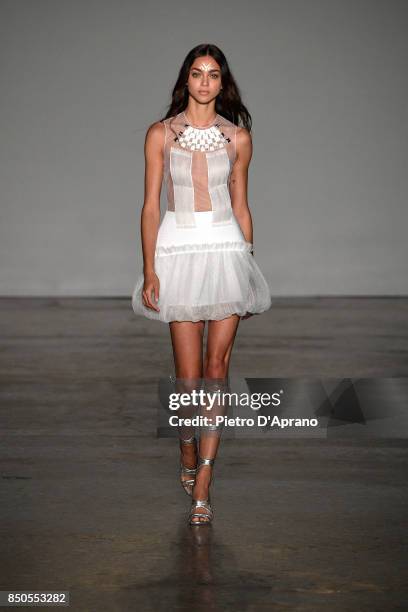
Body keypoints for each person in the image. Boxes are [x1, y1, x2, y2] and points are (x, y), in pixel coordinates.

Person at [132, 43, 272, 525]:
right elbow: (151, 205)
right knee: (188, 375)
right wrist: (149, 268)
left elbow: (242, 205)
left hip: (225, 250)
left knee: (217, 368)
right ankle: (186, 445)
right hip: (178, 251)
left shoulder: (238, 138)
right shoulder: (160, 135)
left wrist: (248, 268)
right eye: (197, 73)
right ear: (186, 80)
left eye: (213, 74)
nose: (205, 82)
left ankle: (205, 481)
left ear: (222, 82)